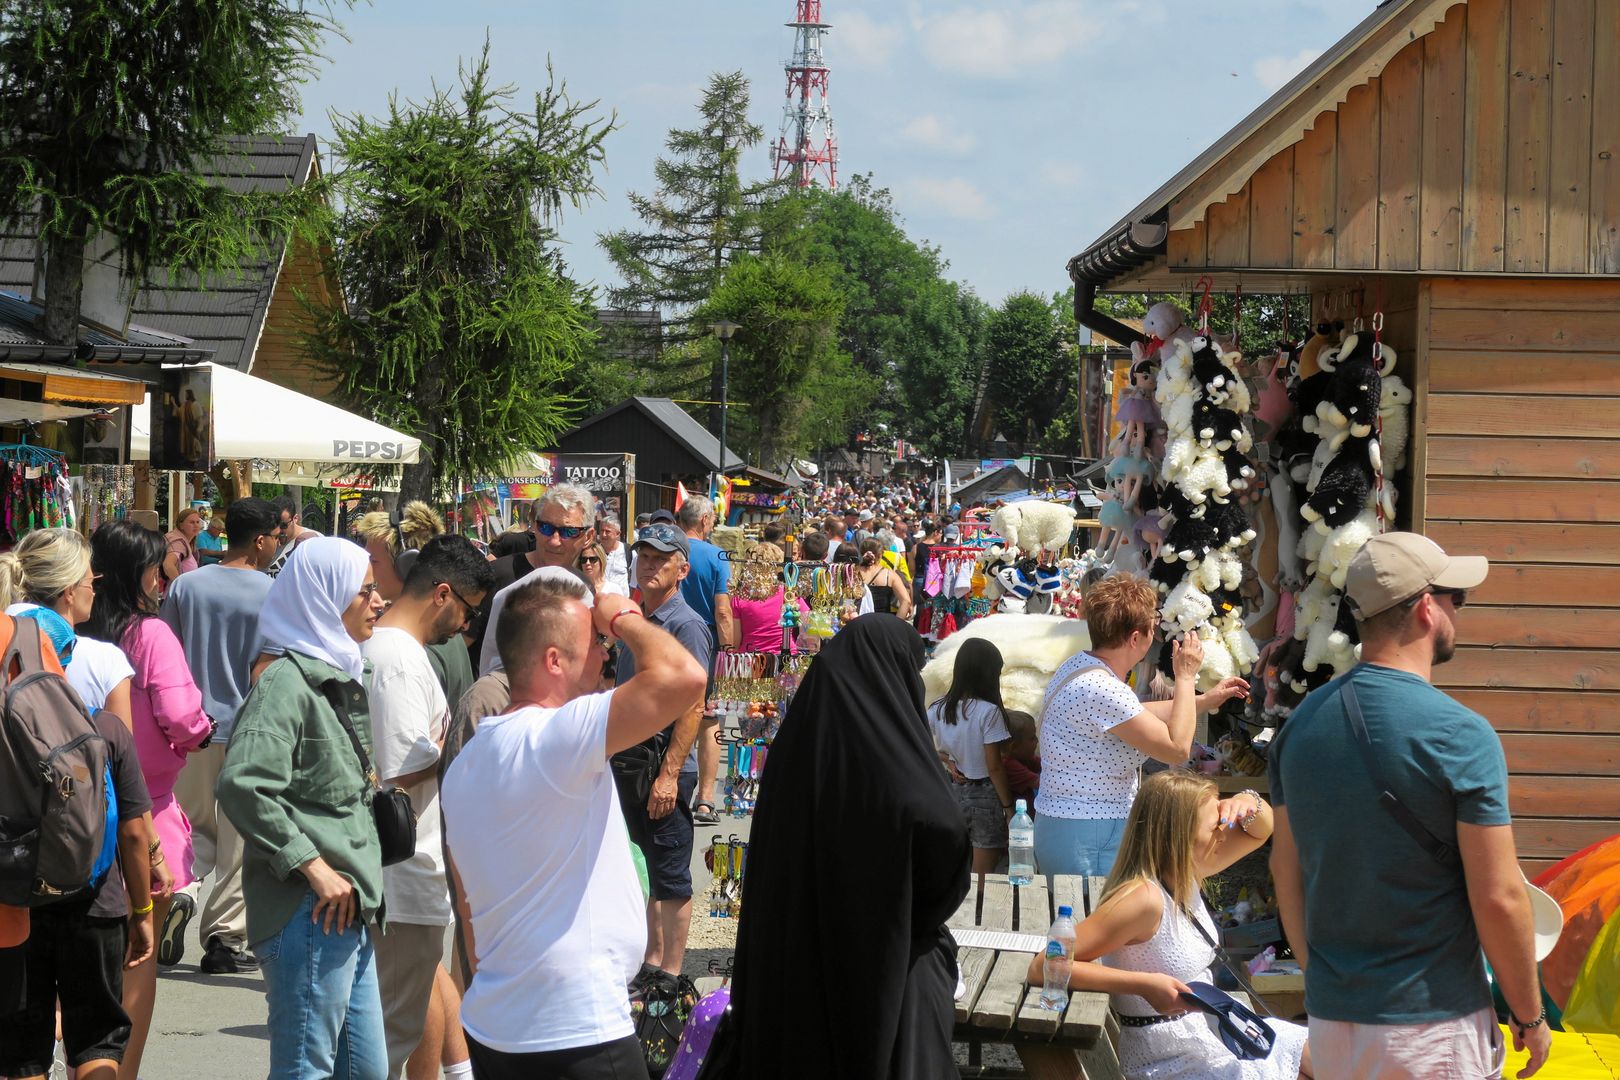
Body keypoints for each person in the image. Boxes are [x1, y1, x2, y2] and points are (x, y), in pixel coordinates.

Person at [1269, 533, 1550, 1079]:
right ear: (1426, 608)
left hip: (1333, 1027)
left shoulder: (1299, 728)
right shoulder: (1461, 734)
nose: (1456, 612)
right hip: (1433, 1027)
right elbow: (1499, 898)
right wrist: (1530, 1015)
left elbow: (1287, 869)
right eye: (1455, 599)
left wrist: (1326, 980)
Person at [442, 572, 704, 1078]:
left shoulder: (468, 764)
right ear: (554, 660)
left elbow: (469, 911)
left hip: (499, 1026)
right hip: (575, 1031)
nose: (607, 654)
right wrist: (621, 613)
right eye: (595, 643)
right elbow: (684, 678)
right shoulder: (556, 736)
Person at [701, 616, 969, 1078]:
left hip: (788, 961)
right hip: (881, 964)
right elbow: (944, 845)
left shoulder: (795, 747)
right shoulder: (903, 768)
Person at [217, 538, 389, 1080]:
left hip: (347, 905)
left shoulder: (333, 674)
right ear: (325, 597)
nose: (378, 601)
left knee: (364, 1071)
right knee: (304, 1070)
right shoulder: (286, 683)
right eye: (365, 591)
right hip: (307, 909)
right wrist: (313, 868)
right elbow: (243, 785)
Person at [1028, 770, 1310, 1080]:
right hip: (1171, 1057)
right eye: (1215, 825)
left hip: (1211, 1033)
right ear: (1179, 835)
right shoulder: (1142, 899)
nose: (1224, 833)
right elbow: (1045, 963)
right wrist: (1144, 984)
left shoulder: (1187, 869)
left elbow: (1262, 831)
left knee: (1338, 1059)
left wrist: (1247, 802)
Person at [362, 535, 493, 1079]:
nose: (465, 627)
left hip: (405, 873)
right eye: (467, 612)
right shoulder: (396, 659)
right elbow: (389, 773)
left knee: (394, 1028)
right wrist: (462, 751)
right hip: (401, 873)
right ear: (443, 594)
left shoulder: (395, 653)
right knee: (387, 1039)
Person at [85, 520, 213, 1076]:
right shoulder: (149, 635)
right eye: (157, 567)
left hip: (69, 812)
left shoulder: (73, 633)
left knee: (80, 957)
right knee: (138, 959)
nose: (165, 578)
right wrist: (198, 732)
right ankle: (120, 1070)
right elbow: (183, 715)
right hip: (145, 811)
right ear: (135, 572)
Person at [0, 633, 158, 1080]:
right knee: (96, 1042)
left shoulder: (5, 733)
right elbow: (133, 833)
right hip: (98, 903)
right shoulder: (106, 728)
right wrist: (141, 911)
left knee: (24, 1051)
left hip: (21, 905)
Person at [1035, 575, 1247, 878]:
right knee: (1094, 922)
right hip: (1089, 833)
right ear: (1136, 638)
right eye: (1153, 623)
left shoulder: (1080, 666)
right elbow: (1176, 749)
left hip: (1069, 825)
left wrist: (1205, 700)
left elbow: (1133, 715)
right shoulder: (1103, 688)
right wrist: (1185, 677)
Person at [161, 496, 279, 975]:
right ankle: (225, 938)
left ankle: (180, 891)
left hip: (190, 727)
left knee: (187, 824)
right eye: (275, 536)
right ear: (260, 540)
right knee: (238, 840)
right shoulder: (273, 592)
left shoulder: (186, 586)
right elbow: (268, 667)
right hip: (246, 729)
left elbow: (166, 656)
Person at [613, 523, 710, 997]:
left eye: (660, 559)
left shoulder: (684, 623)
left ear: (682, 569)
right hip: (631, 762)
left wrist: (670, 774)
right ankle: (650, 962)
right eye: (644, 557)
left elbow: (694, 705)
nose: (649, 564)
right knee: (643, 863)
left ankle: (670, 972)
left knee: (670, 871)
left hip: (663, 767)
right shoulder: (639, 618)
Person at [353, 502, 478, 713]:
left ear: (406, 566)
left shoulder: (418, 642)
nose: (364, 568)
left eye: (373, 560)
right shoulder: (438, 628)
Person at [470, 484, 597, 675]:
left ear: (588, 537)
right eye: (546, 528)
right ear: (534, 528)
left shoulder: (583, 586)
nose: (554, 540)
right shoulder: (498, 575)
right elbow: (464, 642)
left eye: (568, 532)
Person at [928, 639, 1015, 874]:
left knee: (952, 866)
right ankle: (977, 909)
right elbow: (994, 767)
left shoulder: (938, 708)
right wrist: (1009, 808)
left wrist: (945, 759)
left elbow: (917, 742)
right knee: (981, 876)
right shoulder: (989, 712)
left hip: (951, 791)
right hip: (985, 795)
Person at [675, 496, 732, 827]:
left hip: (668, 638)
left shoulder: (669, 549)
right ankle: (706, 799)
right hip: (707, 642)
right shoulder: (718, 555)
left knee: (671, 711)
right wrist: (728, 650)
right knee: (710, 718)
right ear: (705, 521)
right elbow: (723, 608)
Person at [730, 546, 810, 655]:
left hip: (750, 660)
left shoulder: (741, 597)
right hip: (786, 658)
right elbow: (807, 626)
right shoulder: (789, 594)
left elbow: (735, 641)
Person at [858, 537, 913, 620]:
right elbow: (906, 601)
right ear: (880, 555)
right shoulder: (890, 575)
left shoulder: (852, 573)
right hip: (882, 622)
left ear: (861, 553)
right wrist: (895, 623)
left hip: (858, 623)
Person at [267, 495, 320, 576]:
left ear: (295, 518)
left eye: (283, 525)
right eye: (274, 525)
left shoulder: (313, 539)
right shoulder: (265, 540)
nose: (278, 530)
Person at [1001, 710, 1041, 806]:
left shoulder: (1022, 756)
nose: (1037, 740)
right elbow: (1041, 784)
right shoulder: (1009, 765)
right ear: (1014, 747)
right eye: (1032, 738)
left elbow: (1043, 763)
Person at [161, 506, 204, 586]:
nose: (196, 525)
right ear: (181, 525)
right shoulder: (177, 542)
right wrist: (181, 588)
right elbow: (168, 565)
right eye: (191, 522)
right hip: (175, 595)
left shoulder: (187, 542)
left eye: (197, 522)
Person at [599, 513, 630, 594]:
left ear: (618, 534)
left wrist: (633, 603)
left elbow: (637, 583)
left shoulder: (628, 552)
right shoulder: (594, 552)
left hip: (623, 603)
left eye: (607, 531)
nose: (603, 534)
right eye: (601, 531)